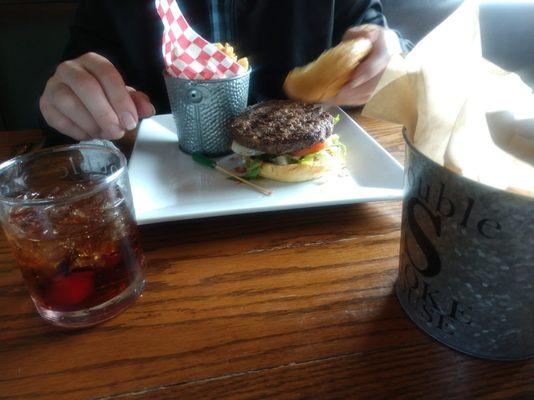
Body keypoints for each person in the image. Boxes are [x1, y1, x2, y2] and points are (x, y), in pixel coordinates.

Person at [40, 0, 409, 141]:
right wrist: (70, 100)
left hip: (314, 211)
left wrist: (391, 57)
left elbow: (389, 61)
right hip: (165, 210)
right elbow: (71, 97)